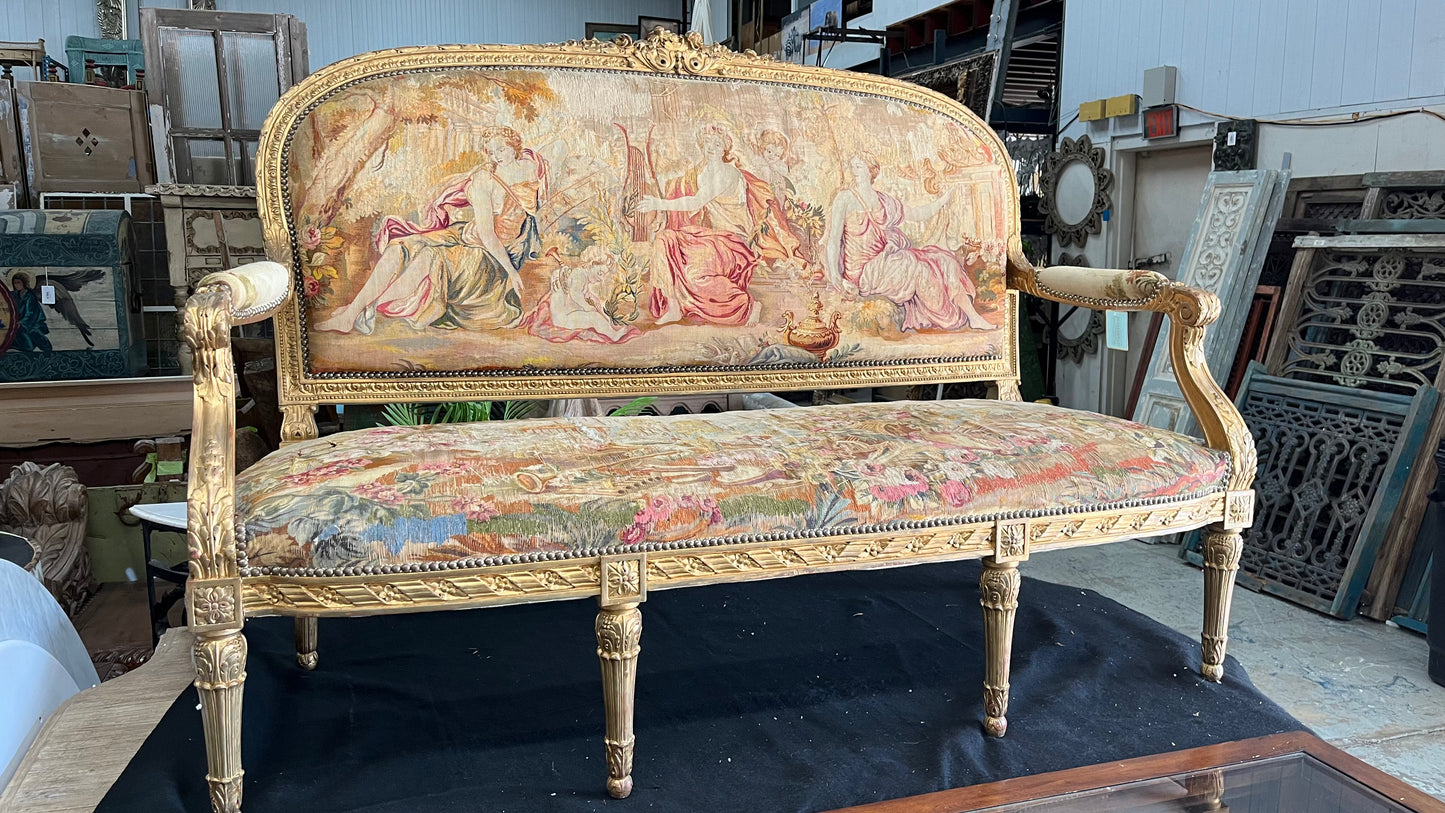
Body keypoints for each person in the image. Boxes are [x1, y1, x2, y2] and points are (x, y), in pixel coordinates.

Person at [314, 126, 546, 334]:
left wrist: (513, 264)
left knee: (429, 256)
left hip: (489, 253)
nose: (497, 156)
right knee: (400, 246)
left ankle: (357, 311)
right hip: (477, 240)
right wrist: (512, 272)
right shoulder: (484, 180)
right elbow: (487, 234)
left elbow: (535, 205)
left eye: (501, 150)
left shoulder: (531, 166)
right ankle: (351, 313)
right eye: (491, 152)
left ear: (514, 146)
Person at [636, 123, 801, 326]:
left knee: (693, 275)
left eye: (717, 144)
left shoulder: (727, 174)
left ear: (725, 148)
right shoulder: (703, 172)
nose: (711, 147)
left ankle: (747, 306)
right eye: (707, 142)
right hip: (710, 239)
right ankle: (673, 306)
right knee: (664, 239)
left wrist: (658, 203)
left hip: (733, 245)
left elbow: (695, 202)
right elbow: (680, 183)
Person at [824, 153, 990, 332]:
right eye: (852, 166)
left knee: (944, 261)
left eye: (859, 166)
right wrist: (836, 277)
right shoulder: (844, 198)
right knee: (921, 268)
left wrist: (942, 201)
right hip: (864, 271)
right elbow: (833, 240)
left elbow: (916, 214)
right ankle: (947, 316)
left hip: (887, 260)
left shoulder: (884, 201)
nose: (853, 171)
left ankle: (973, 317)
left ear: (871, 171)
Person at [9, 273, 52, 352]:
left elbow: (31, 313)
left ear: (24, 283)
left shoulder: (30, 296)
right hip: (17, 323)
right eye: (15, 283)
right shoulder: (13, 295)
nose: (16, 285)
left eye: (18, 282)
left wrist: (20, 323)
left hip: (32, 323)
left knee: (30, 340)